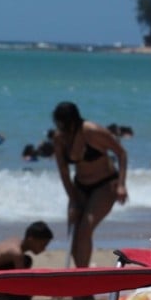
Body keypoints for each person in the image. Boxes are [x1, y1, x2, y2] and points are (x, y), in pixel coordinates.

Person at [52, 101, 128, 271]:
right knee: (73, 232)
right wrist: (73, 199)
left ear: (73, 121)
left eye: (64, 125)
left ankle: (85, 279)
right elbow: (64, 172)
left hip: (106, 184)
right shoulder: (59, 138)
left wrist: (122, 185)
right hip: (80, 186)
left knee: (85, 228)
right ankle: (83, 280)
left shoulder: (92, 131)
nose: (61, 130)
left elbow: (122, 154)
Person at [0, 221, 54, 300]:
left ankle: (0, 293)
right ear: (31, 240)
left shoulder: (15, 241)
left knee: (27, 260)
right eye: (43, 245)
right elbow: (21, 281)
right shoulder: (16, 253)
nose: (44, 249)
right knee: (26, 262)